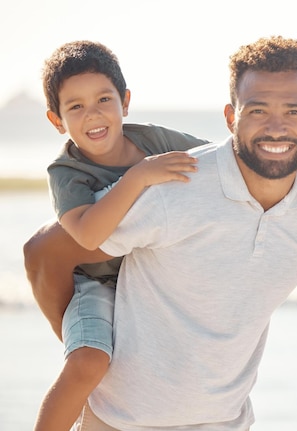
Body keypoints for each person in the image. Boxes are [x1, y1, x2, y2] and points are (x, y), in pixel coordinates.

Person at [29, 40, 206, 431]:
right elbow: (89, 235)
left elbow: (217, 164)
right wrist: (139, 177)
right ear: (56, 120)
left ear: (125, 101)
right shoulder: (67, 172)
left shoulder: (151, 140)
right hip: (95, 284)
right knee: (89, 362)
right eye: (75, 106)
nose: (93, 114)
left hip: (152, 279)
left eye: (104, 99)